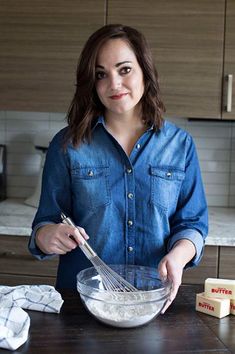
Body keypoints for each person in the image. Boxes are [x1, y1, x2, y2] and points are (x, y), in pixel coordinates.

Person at [28, 24, 208, 313]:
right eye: (101, 74)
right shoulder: (67, 144)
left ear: (145, 72)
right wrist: (47, 236)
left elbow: (192, 224)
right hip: (82, 304)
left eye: (124, 69)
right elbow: (46, 220)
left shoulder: (180, 145)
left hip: (153, 301)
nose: (114, 84)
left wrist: (178, 255)